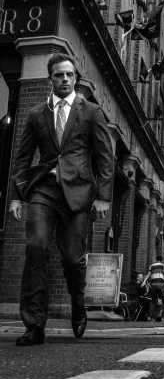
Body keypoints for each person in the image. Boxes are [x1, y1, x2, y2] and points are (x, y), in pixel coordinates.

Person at [8, 53, 114, 347]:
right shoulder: (35, 114)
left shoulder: (90, 111)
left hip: (78, 194)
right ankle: (33, 325)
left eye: (69, 74)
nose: (64, 79)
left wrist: (103, 196)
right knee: (36, 248)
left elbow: (106, 156)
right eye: (59, 75)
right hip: (44, 191)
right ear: (50, 79)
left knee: (72, 259)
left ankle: (77, 301)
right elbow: (22, 158)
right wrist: (16, 196)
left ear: (75, 78)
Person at [144, 255, 164, 322]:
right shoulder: (163, 266)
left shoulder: (151, 266)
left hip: (153, 285)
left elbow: (148, 274)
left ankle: (150, 317)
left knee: (154, 301)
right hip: (161, 284)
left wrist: (144, 282)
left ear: (156, 259)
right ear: (162, 260)